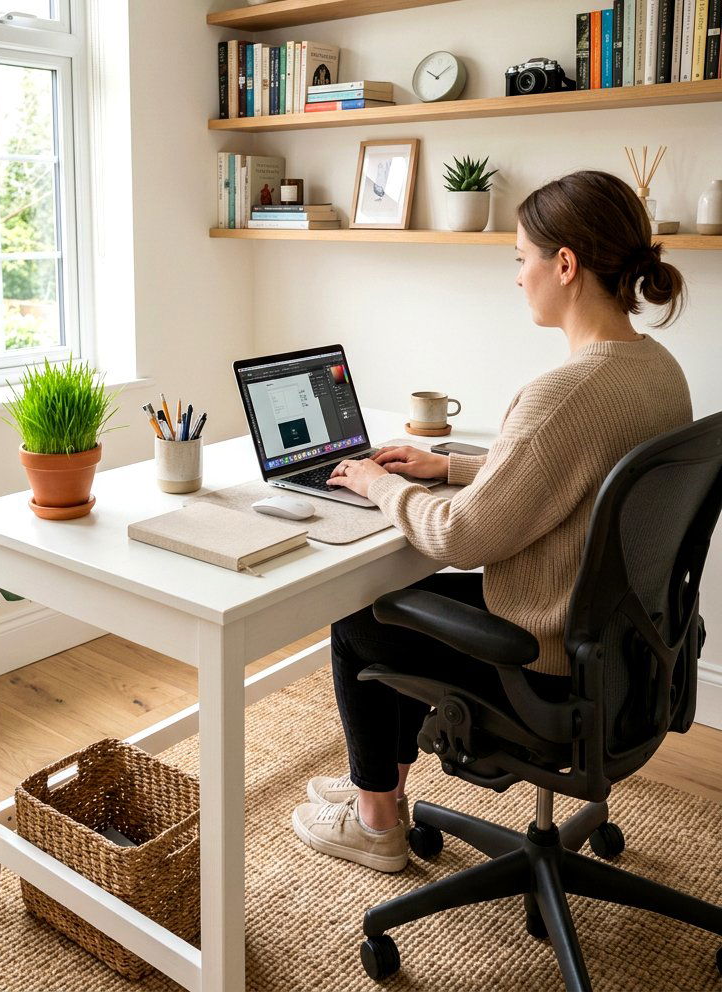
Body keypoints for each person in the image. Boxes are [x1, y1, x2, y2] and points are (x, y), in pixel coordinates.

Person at [291, 170, 692, 873]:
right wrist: (445, 467)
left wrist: (380, 483)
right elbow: (577, 471)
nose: (515, 278)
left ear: (563, 265)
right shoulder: (657, 370)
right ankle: (376, 787)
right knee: (391, 615)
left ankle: (376, 822)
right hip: (628, 656)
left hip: (543, 657)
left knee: (359, 617)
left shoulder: (562, 392)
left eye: (519, 259)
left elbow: (460, 536)